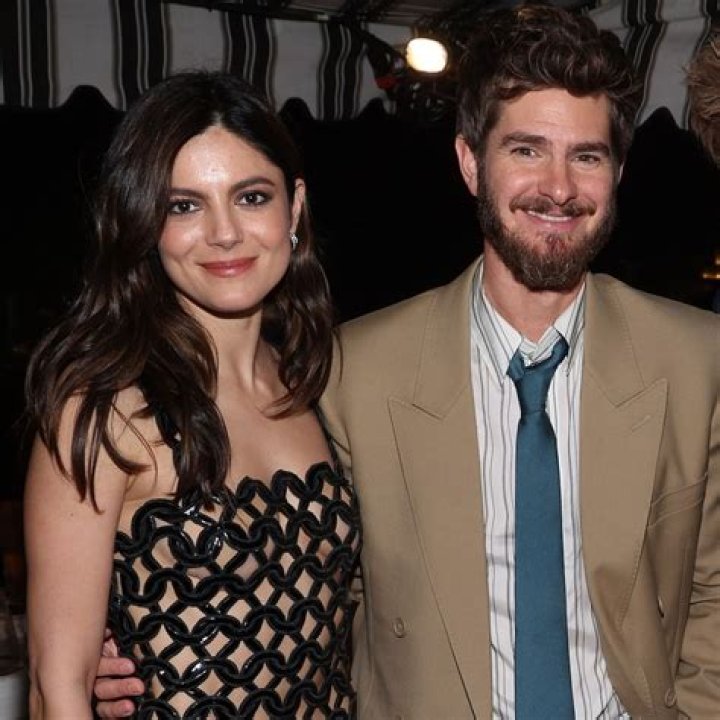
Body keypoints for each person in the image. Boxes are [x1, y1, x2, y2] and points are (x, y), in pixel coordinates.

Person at [94, 5, 720, 719]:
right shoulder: (354, 373)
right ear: (470, 163)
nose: (558, 187)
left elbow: (713, 590)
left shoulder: (695, 360)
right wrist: (146, 651)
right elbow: (301, 585)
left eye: (587, 156)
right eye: (526, 150)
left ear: (618, 172)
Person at [24, 70, 361, 718]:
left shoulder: (317, 386)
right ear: (145, 223)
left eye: (251, 197)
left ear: (293, 208)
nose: (224, 232)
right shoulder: (103, 411)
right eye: (184, 206)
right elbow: (55, 688)